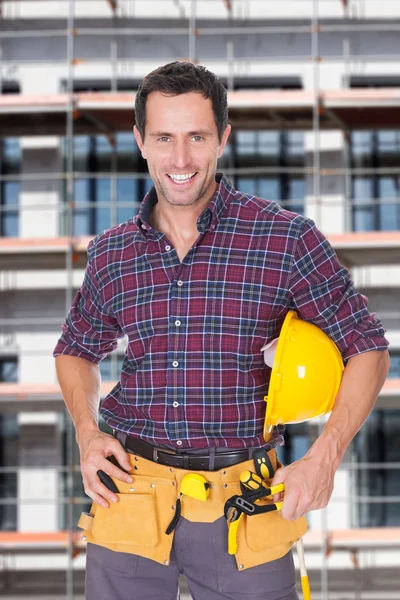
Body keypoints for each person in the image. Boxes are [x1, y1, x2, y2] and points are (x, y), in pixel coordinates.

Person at [54, 61, 390, 600]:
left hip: (247, 506)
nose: (180, 159)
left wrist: (324, 457)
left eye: (197, 137)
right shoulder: (112, 252)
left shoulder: (286, 239)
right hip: (130, 496)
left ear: (223, 139)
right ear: (140, 140)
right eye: (163, 137)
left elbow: (368, 347)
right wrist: (87, 433)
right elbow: (75, 349)